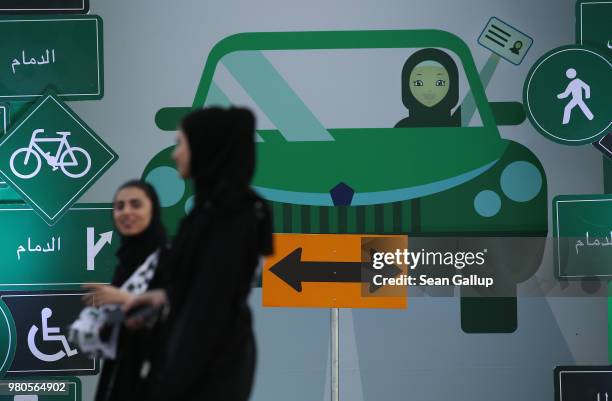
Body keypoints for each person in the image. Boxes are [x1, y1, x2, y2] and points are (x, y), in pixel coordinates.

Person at [124, 107, 273, 401]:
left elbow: (208, 308)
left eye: (181, 143)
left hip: (207, 370)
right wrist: (158, 300)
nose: (174, 154)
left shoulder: (230, 220)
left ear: (206, 148)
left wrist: (168, 383)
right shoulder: (208, 214)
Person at [70, 180, 168, 401]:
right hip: (121, 368)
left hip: (155, 371)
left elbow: (178, 307)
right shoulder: (125, 261)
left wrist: (126, 299)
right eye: (119, 206)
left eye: (136, 204)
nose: (126, 212)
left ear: (153, 209)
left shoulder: (169, 259)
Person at [395, 48, 461, 128]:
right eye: (418, 83)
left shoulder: (458, 123)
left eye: (439, 83)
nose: (429, 90)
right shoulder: (403, 127)